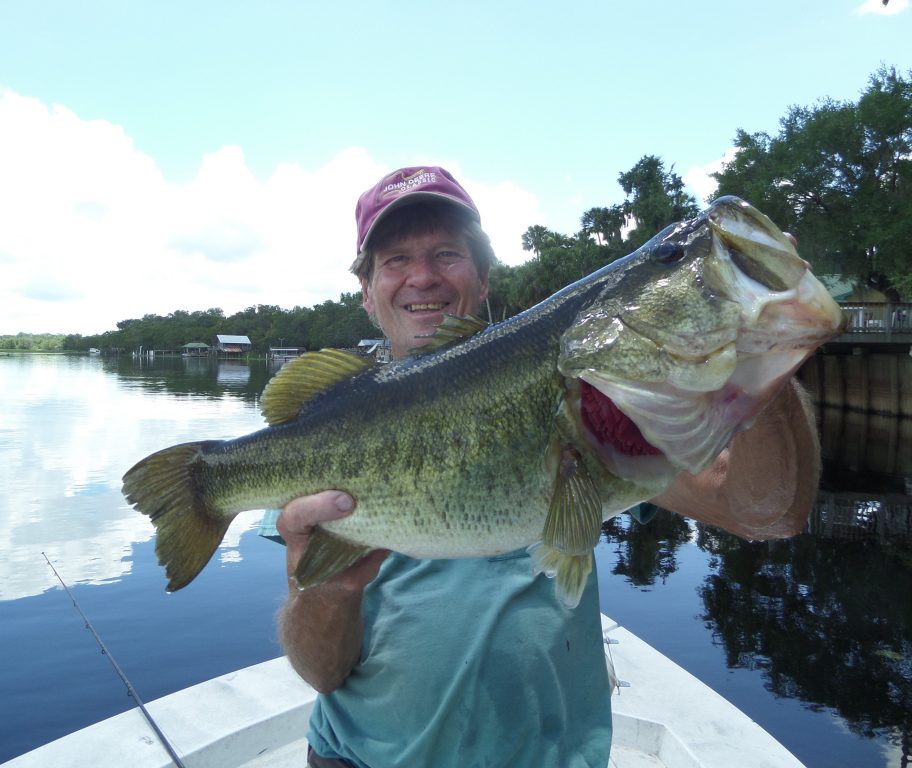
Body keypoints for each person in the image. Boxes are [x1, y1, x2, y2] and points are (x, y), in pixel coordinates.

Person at [261, 166, 820, 767]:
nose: (422, 276)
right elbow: (321, 673)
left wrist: (756, 355)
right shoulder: (325, 436)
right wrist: (329, 588)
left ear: (482, 277)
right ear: (368, 295)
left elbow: (769, 511)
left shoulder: (593, 397)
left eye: (446, 253)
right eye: (394, 260)